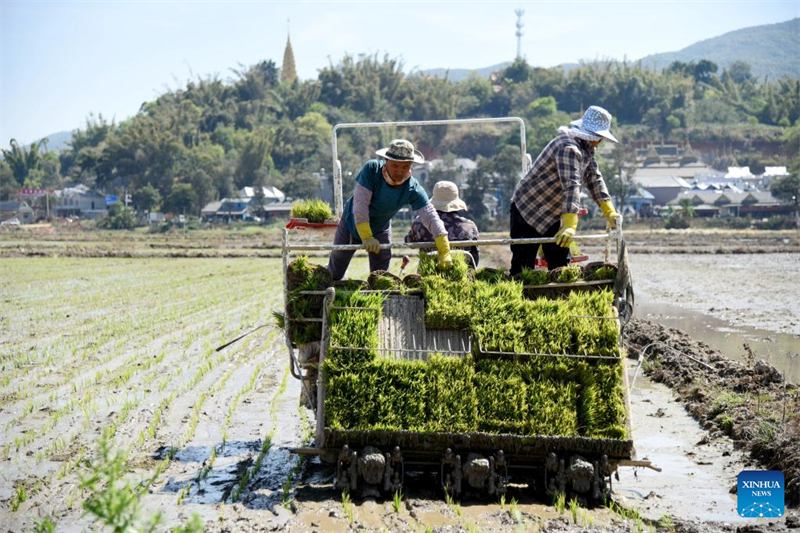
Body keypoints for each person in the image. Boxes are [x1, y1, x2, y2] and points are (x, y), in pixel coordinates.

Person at [509, 105, 623, 275]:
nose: (600, 141)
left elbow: (596, 180)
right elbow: (571, 186)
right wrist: (570, 224)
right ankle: (521, 290)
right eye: (600, 138)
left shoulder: (587, 150)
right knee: (523, 265)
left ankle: (560, 291)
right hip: (528, 209)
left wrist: (610, 212)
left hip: (552, 212)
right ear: (595, 136)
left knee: (560, 264)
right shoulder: (568, 148)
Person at [327, 139, 452, 281]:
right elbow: (360, 205)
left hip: (380, 227)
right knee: (336, 270)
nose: (400, 171)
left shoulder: (412, 188)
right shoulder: (372, 170)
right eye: (395, 165)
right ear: (386, 161)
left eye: (405, 166)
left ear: (411, 165)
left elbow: (430, 216)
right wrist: (367, 236)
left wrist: (444, 250)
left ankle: (376, 293)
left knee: (381, 275)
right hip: (351, 223)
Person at [405, 180, 480, 268]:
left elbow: (409, 242)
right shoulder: (470, 226)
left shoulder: (420, 223)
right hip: (462, 273)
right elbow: (475, 258)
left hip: (428, 272)